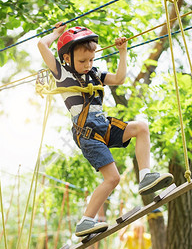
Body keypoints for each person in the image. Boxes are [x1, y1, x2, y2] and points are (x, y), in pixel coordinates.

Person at [37, 22, 174, 237]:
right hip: (87, 133)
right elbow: (41, 45)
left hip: (104, 125)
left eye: (91, 60)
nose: (87, 64)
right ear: (66, 58)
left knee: (141, 127)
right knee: (113, 179)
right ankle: (86, 221)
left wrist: (122, 52)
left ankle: (145, 175)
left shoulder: (94, 73)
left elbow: (119, 79)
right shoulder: (62, 75)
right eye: (82, 61)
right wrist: (55, 34)